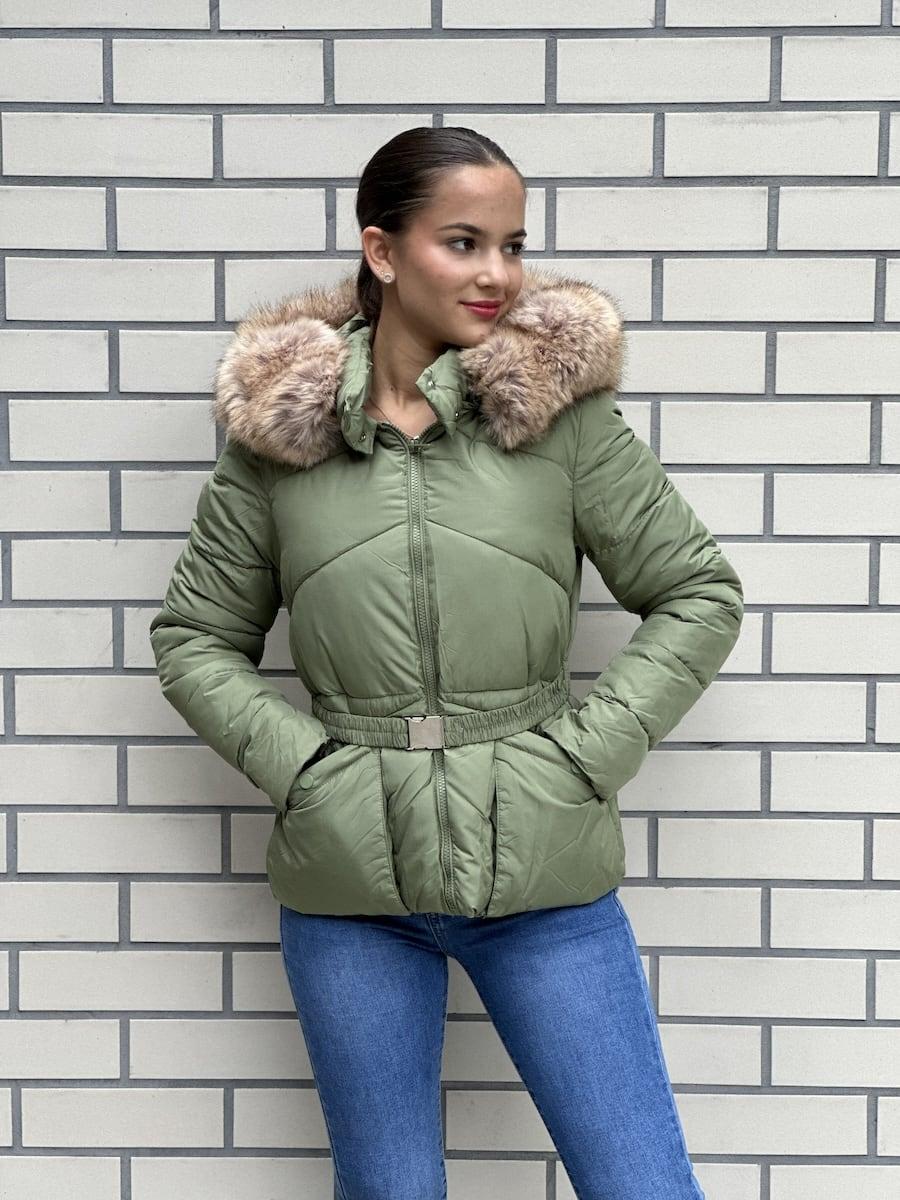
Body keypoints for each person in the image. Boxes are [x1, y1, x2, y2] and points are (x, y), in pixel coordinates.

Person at [149, 126, 743, 1200]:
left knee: (641, 1185)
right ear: (382, 251)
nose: (496, 274)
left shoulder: (560, 423)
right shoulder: (280, 445)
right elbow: (195, 637)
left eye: (511, 245)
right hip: (351, 893)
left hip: (545, 881)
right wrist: (310, 772)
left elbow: (698, 593)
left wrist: (579, 757)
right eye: (463, 242)